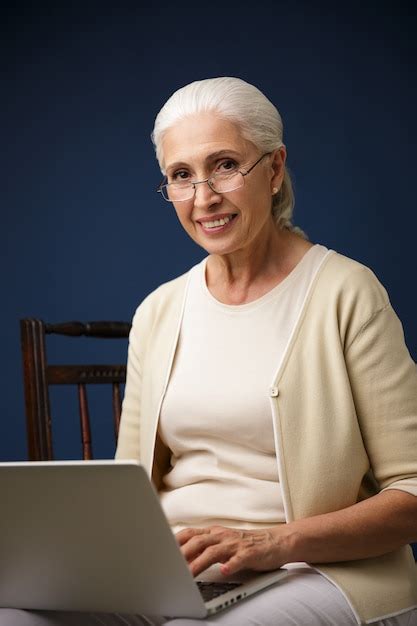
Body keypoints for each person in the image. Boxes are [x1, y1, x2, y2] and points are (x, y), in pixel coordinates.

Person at [3, 77, 416, 625]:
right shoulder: (159, 311)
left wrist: (270, 543)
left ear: (273, 170)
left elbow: (411, 490)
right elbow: (127, 485)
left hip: (317, 570)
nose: (204, 198)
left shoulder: (346, 292)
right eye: (181, 176)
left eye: (224, 165)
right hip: (173, 571)